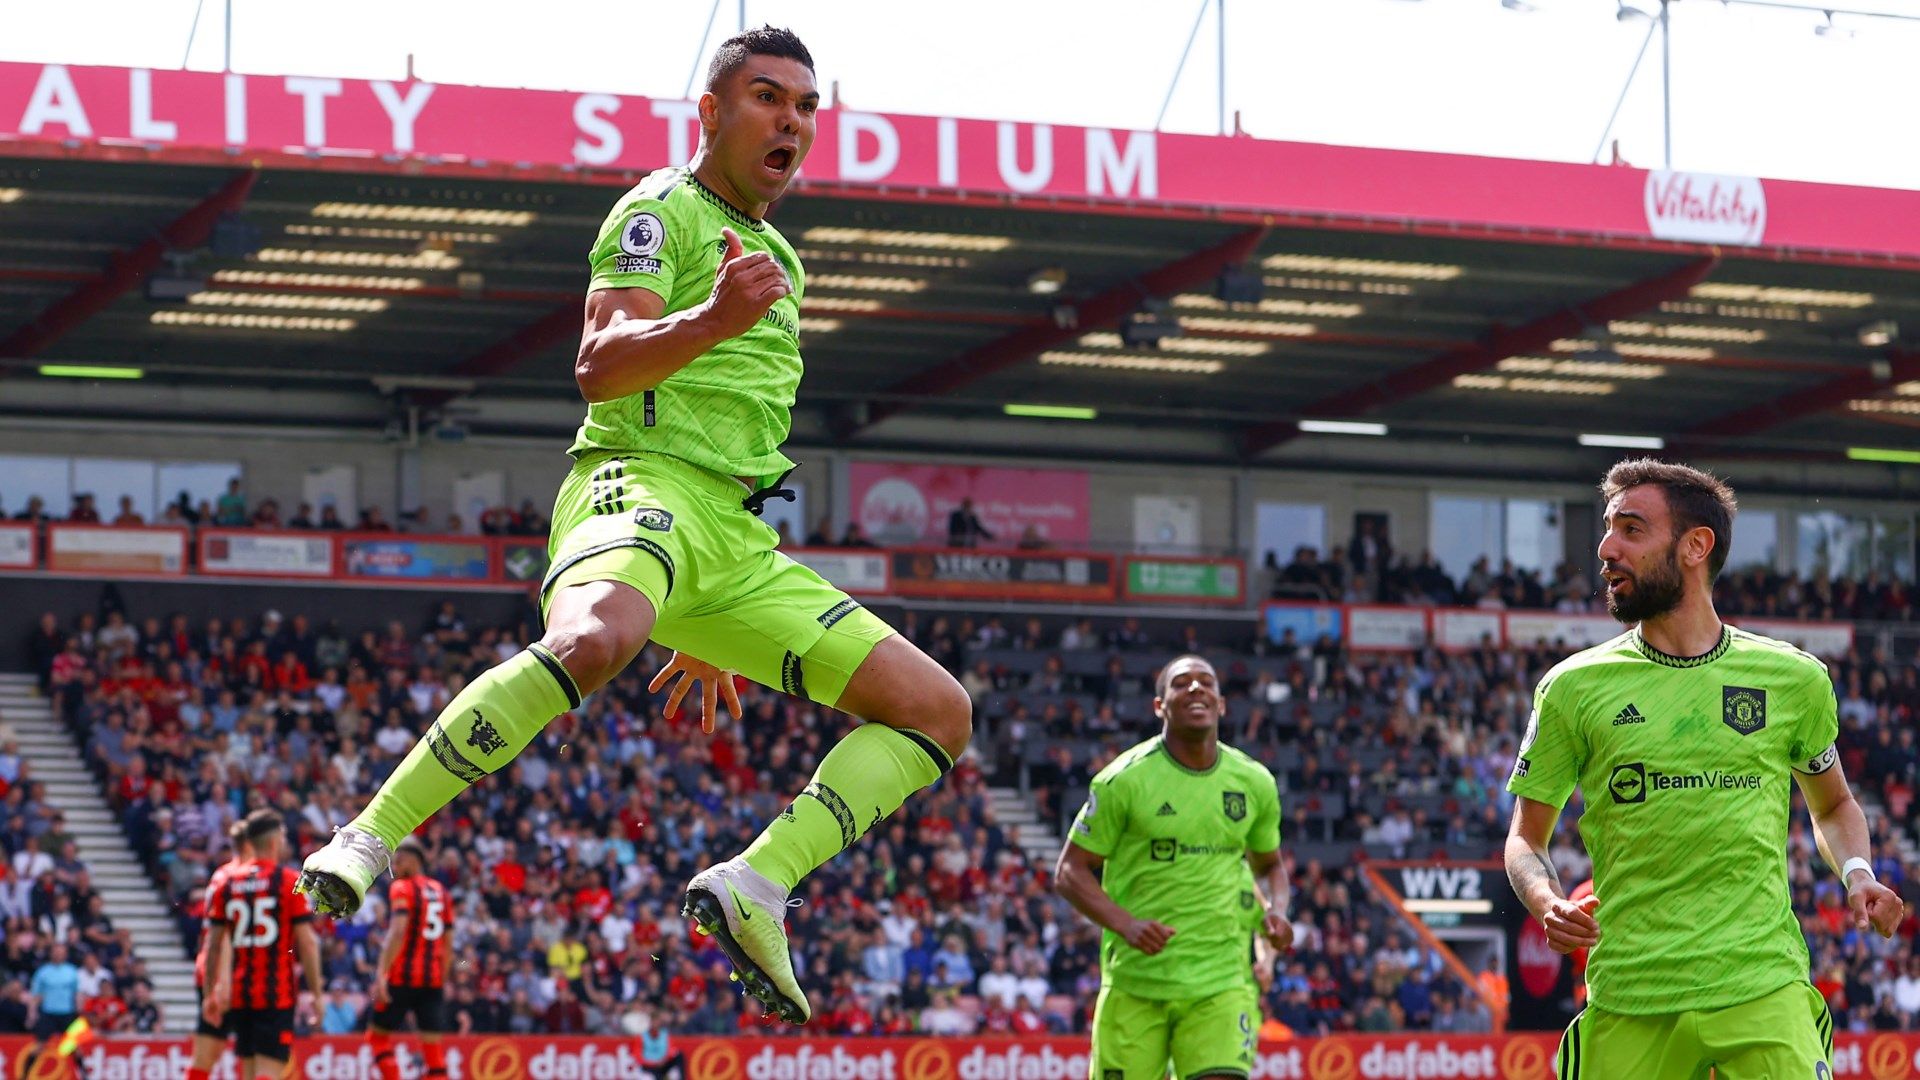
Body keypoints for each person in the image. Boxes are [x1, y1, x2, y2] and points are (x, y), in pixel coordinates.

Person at [296, 26, 970, 1029]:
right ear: (710, 112)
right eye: (768, 97)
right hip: (635, 482)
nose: (792, 120)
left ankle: (757, 885)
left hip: (731, 541)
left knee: (939, 712)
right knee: (595, 640)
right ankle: (369, 833)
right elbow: (600, 364)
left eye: (806, 107)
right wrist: (707, 321)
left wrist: (706, 628)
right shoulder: (662, 207)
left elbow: (736, 427)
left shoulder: (780, 254)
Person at [1504, 458, 1905, 1078]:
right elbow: (1526, 839)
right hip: (1631, 994)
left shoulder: (1793, 679)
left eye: (1631, 530)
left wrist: (1857, 873)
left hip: (1761, 984)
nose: (1607, 548)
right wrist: (1543, 898)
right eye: (1608, 530)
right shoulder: (1572, 689)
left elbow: (1832, 805)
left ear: (1696, 546)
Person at [1054, 654, 1291, 1079]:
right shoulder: (1121, 781)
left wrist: (1277, 911)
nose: (1196, 689)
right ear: (1159, 706)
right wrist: (1126, 924)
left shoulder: (1255, 782)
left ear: (1221, 704)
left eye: (1207, 682)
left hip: (1220, 984)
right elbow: (1070, 872)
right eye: (1182, 684)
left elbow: (1271, 865)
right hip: (1136, 984)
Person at [204, 811, 322, 1080]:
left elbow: (213, 945)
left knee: (249, 1073)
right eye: (282, 837)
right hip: (275, 995)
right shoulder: (289, 882)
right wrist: (316, 993)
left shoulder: (227, 883)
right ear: (273, 843)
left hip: (241, 994)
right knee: (268, 1073)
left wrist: (210, 992)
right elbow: (308, 943)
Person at [367, 838, 452, 1079]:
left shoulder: (402, 888)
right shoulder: (441, 891)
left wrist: (382, 972)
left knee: (377, 1038)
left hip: (401, 977)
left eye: (399, 860)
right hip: (432, 980)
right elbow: (449, 943)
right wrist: (441, 978)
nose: (396, 865)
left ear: (415, 861)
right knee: (433, 1050)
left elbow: (397, 931)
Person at [188, 822, 252, 1080]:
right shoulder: (244, 878)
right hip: (231, 973)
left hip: (209, 968)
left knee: (205, 1054)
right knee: (257, 1054)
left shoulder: (219, 876)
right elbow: (224, 935)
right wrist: (223, 982)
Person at [22, 942, 80, 1078]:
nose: (59, 954)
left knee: (74, 1047)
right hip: (48, 1013)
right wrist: (32, 1014)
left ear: (65, 954)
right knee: (39, 1046)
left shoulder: (72, 971)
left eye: (61, 952)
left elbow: (76, 994)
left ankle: (83, 1075)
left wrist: (79, 1013)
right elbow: (36, 995)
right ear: (51, 953)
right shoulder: (43, 972)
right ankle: (24, 1075)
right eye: (56, 951)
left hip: (67, 1013)